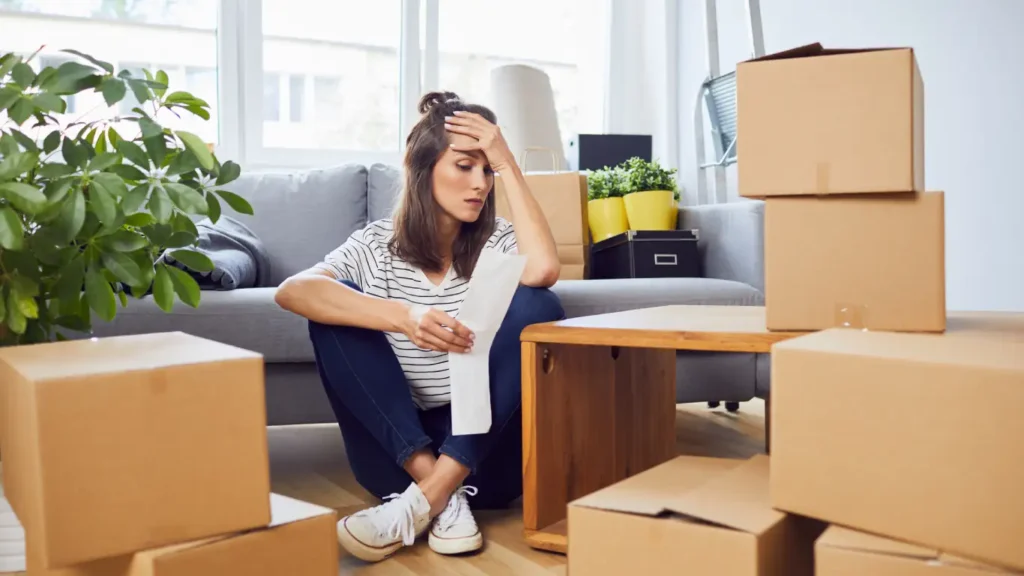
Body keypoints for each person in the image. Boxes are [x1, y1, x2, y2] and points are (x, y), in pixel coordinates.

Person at [274, 91, 566, 562]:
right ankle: (439, 494)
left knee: (537, 302)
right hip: (396, 459)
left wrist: (506, 158)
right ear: (423, 169)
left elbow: (544, 271)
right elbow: (293, 291)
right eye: (465, 166)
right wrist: (402, 317)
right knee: (334, 309)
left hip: (485, 461)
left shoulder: (498, 241)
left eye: (487, 170)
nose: (481, 184)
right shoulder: (374, 245)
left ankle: (429, 500)